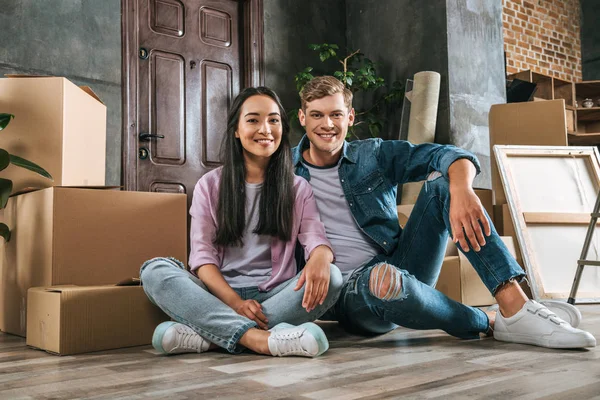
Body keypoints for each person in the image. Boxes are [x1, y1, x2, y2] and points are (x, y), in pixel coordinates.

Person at [291, 75, 596, 349]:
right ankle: (488, 321)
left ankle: (515, 305)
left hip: (401, 263)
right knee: (381, 281)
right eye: (317, 115)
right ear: (303, 117)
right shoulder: (283, 171)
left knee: (441, 187)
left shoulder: (373, 154)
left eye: (336, 115)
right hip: (345, 294)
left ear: (351, 117)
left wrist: (462, 191)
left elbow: (449, 154)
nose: (327, 125)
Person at [141, 87, 343, 357]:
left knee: (334, 278)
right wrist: (235, 303)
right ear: (236, 130)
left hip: (275, 296)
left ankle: (210, 337)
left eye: (273, 120)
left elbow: (315, 238)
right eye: (253, 120)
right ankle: (260, 340)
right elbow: (202, 259)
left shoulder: (298, 188)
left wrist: (321, 256)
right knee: (154, 271)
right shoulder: (209, 186)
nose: (265, 129)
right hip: (220, 297)